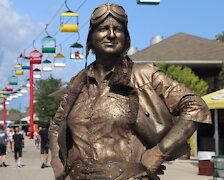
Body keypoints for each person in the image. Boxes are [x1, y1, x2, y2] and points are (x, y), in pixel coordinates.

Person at [49, 3, 212, 180]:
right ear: (91, 37)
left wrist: (159, 152)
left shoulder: (145, 76)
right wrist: (58, 166)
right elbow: (57, 126)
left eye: (118, 29)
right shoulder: (78, 83)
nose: (111, 35)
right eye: (103, 28)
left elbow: (196, 107)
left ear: (126, 38)